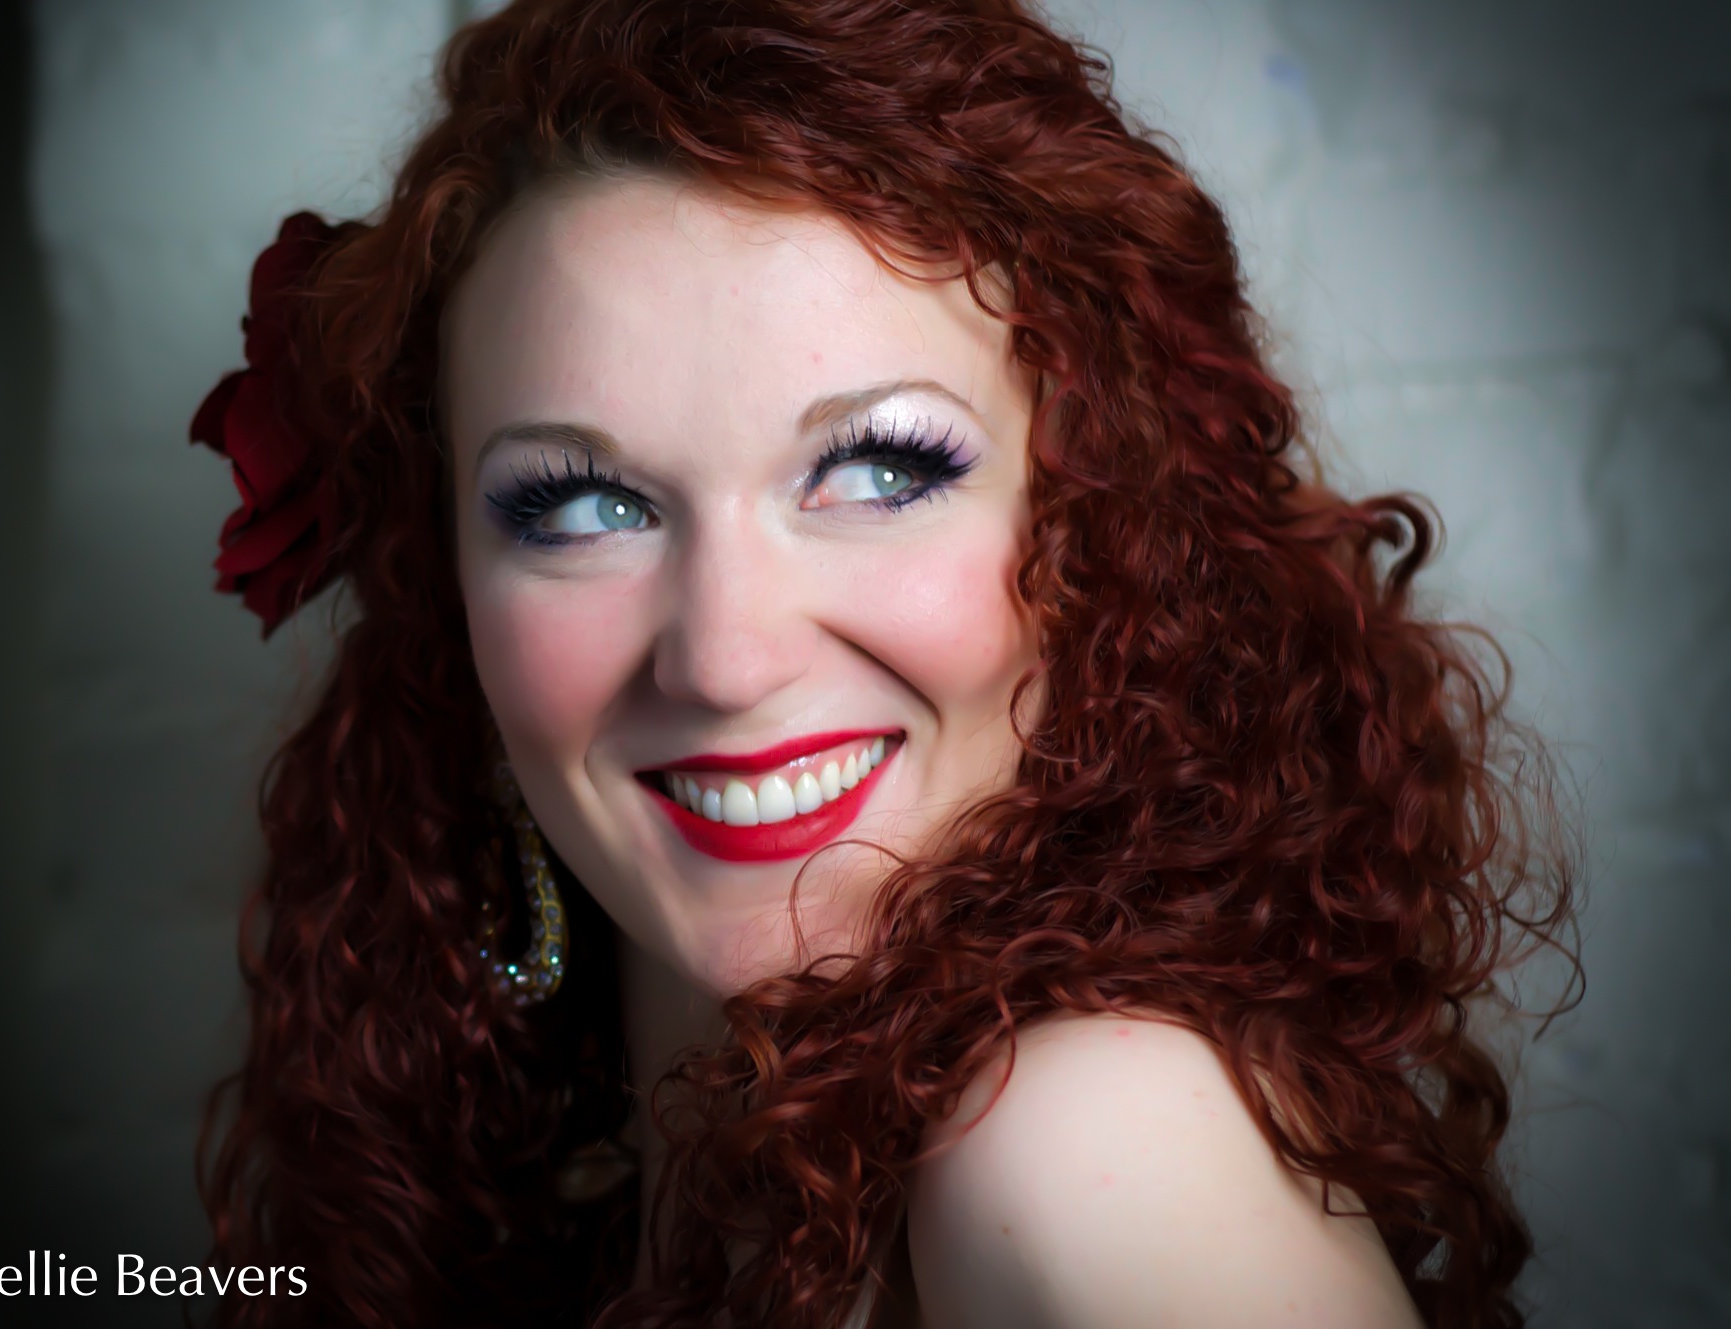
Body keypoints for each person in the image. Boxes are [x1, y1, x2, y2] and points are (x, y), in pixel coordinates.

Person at [187, 1, 1574, 1325]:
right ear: (447, 590)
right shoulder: (615, 1192)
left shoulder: (1079, 1147)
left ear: (1102, 525)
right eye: (585, 506)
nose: (726, 659)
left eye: (879, 471)